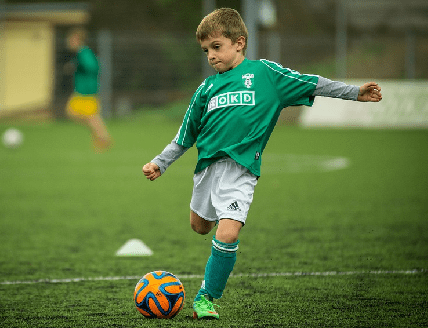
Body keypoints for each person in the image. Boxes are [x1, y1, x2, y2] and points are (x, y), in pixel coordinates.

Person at [142, 8, 382, 320]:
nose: (211, 56)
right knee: (200, 226)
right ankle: (217, 231)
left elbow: (312, 83)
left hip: (241, 171)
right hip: (207, 171)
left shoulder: (266, 75)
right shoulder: (206, 89)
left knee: (227, 234)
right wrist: (160, 163)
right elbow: (184, 136)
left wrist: (354, 92)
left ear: (239, 42)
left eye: (217, 47)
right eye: (205, 51)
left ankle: (206, 297)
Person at [66, 27, 112, 152]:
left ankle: (103, 137)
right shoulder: (81, 53)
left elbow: (93, 67)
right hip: (83, 89)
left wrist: (78, 66)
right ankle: (101, 136)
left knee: (88, 116)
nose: (69, 42)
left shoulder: (83, 52)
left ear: (78, 40)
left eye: (71, 39)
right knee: (85, 115)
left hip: (86, 90)